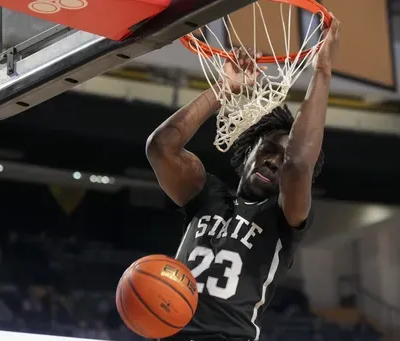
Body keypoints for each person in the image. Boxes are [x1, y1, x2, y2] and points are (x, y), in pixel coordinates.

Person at [146, 14, 340, 341]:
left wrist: (322, 72)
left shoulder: (284, 218)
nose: (276, 162)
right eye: (268, 150)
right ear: (248, 150)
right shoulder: (205, 194)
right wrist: (225, 88)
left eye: (285, 155)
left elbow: (297, 164)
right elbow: (161, 147)